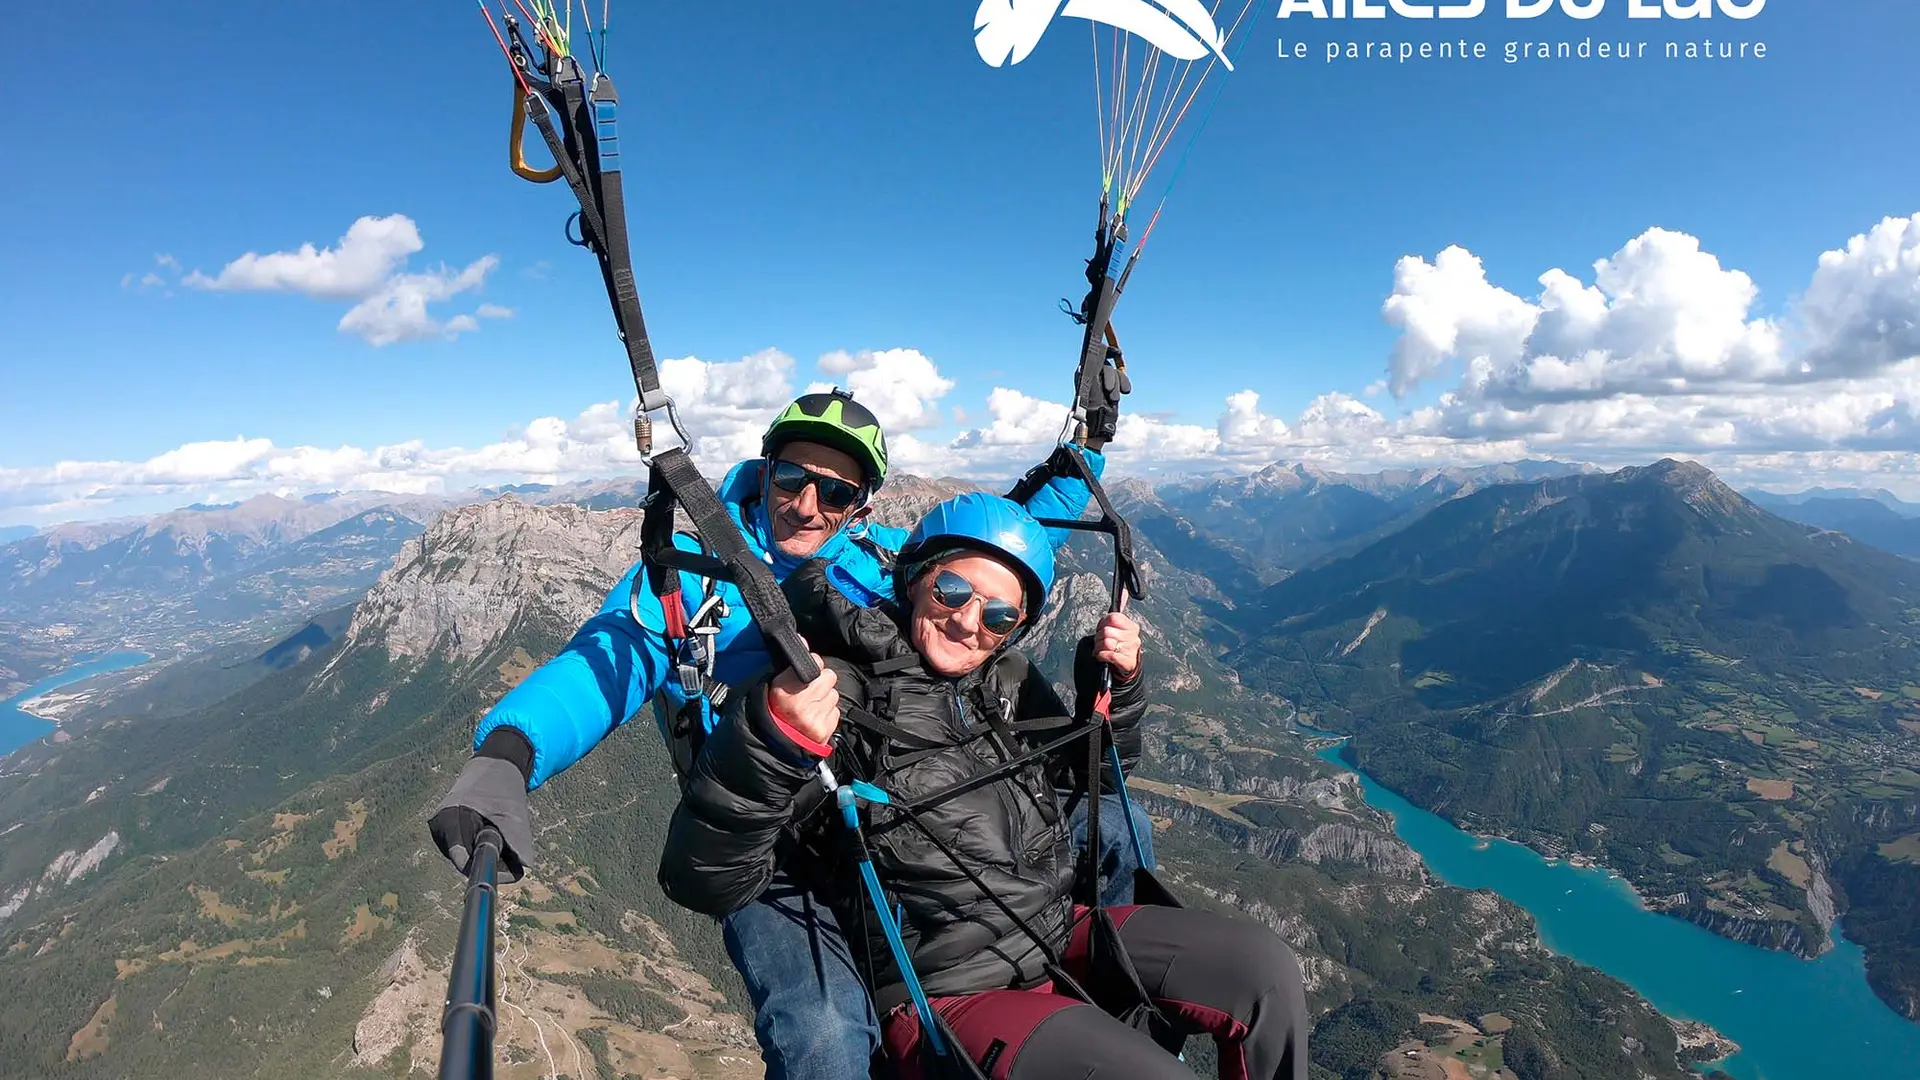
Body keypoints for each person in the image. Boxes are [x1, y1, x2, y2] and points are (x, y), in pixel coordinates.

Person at [427, 389, 1154, 1078]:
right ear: (765, 473)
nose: (808, 505)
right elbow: (601, 663)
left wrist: (1084, 454)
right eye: (793, 480)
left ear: (859, 505)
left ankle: (1119, 998)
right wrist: (508, 754)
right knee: (822, 1031)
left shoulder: (873, 561)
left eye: (834, 492)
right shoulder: (696, 580)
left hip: (877, 812)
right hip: (761, 836)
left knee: (1118, 825)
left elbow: (988, 549)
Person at [659, 493, 1309, 1079]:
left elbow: (1091, 782)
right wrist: (774, 743)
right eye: (952, 590)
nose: (971, 623)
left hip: (1056, 932)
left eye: (999, 615)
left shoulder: (1002, 682)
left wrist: (1115, 688)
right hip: (949, 993)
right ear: (913, 582)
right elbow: (704, 877)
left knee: (1266, 973)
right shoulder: (837, 693)